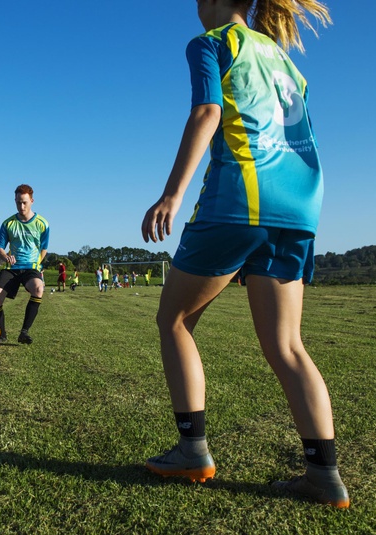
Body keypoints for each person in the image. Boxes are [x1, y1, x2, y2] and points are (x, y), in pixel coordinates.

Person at [141, 0, 347, 508]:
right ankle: (325, 477)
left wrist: (172, 193)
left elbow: (208, 112)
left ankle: (193, 451)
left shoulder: (211, 44)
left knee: (174, 320)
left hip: (240, 198)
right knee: (287, 345)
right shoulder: (283, 58)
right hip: (299, 205)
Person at [0, 184, 50, 345]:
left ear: (32, 200)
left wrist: (37, 265)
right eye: (18, 202)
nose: (21, 206)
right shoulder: (8, 224)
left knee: (38, 288)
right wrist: (5, 257)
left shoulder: (42, 223)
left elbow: (44, 248)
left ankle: (24, 332)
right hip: (12, 268)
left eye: (24, 202)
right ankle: (1, 335)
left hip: (31, 268)